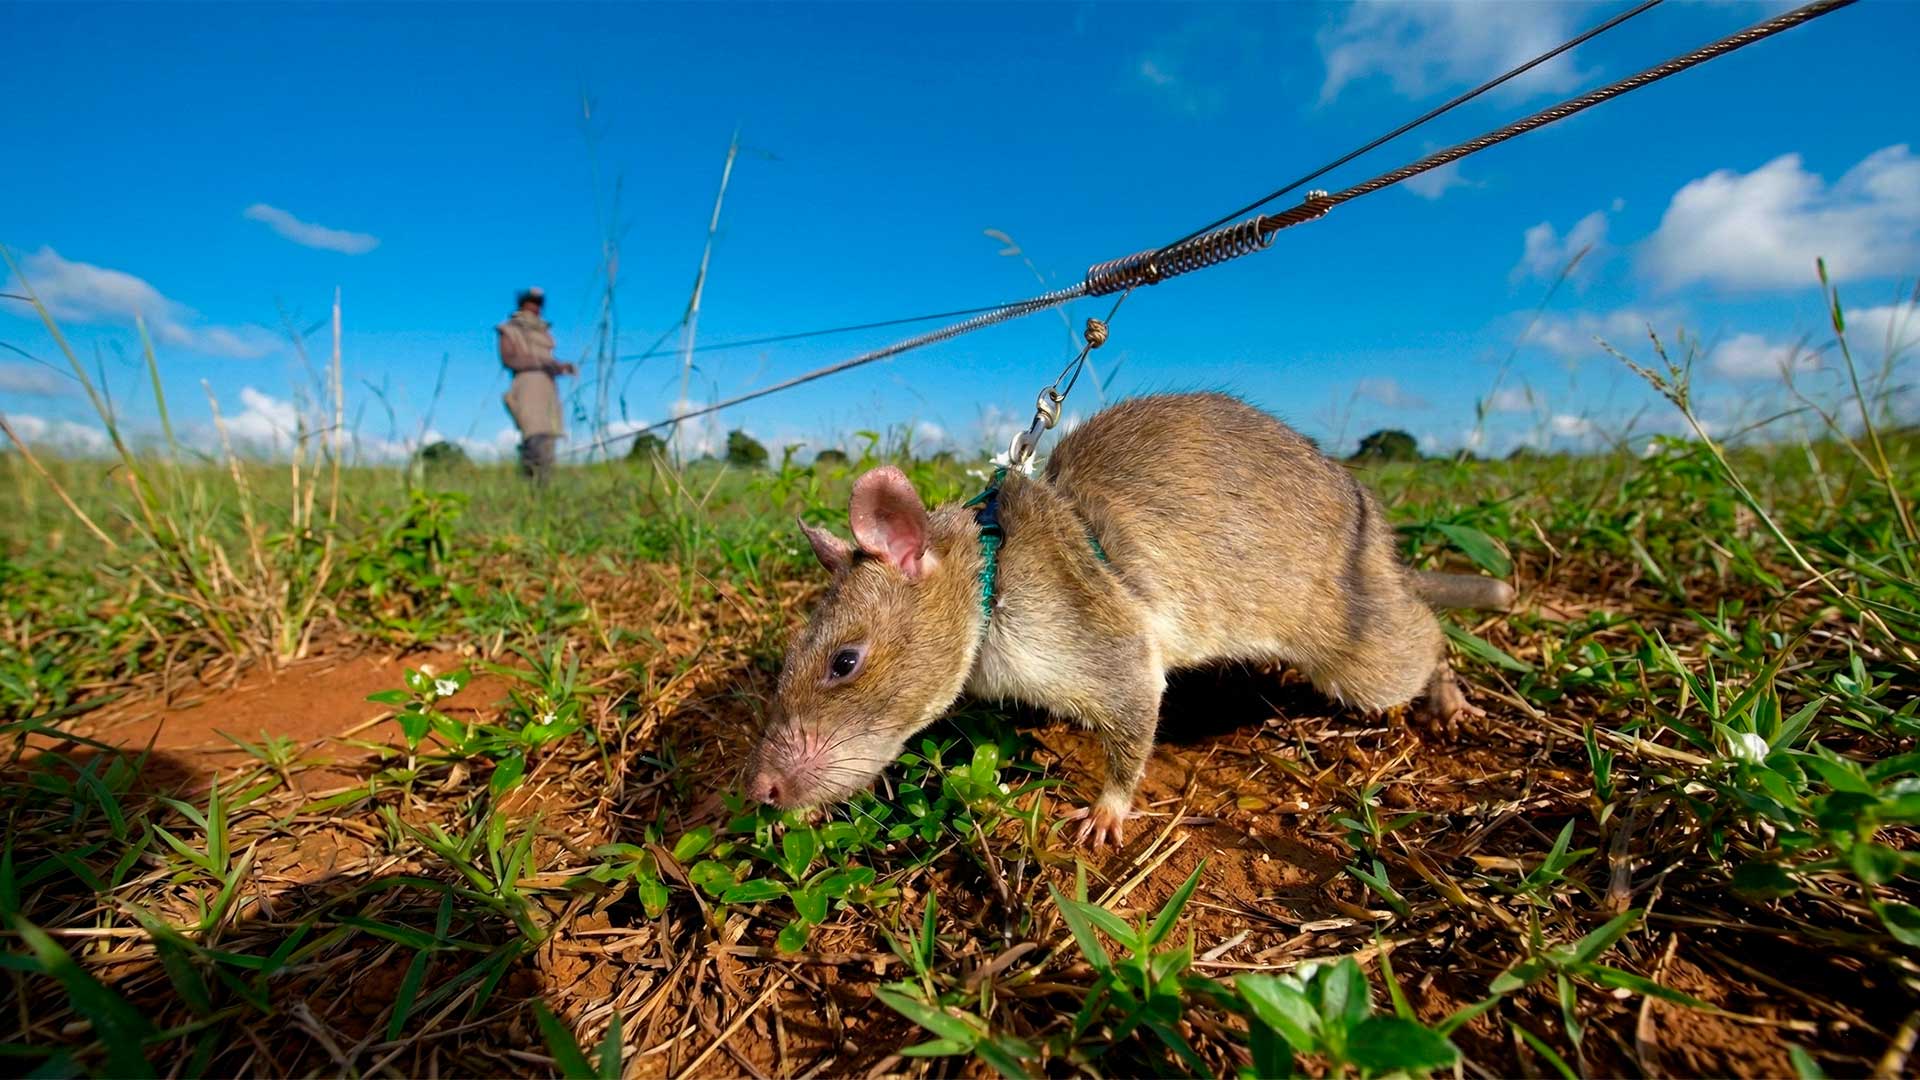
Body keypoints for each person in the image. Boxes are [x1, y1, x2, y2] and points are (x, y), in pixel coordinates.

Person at [497, 287, 576, 483]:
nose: (535, 307)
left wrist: (561, 367)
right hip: (526, 386)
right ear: (522, 304)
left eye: (538, 304)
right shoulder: (509, 329)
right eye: (531, 302)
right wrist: (542, 363)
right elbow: (509, 360)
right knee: (533, 434)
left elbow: (549, 363)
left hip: (548, 389)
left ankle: (544, 487)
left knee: (550, 435)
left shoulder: (545, 334)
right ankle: (529, 483)